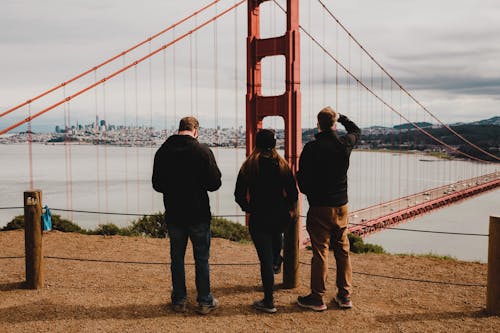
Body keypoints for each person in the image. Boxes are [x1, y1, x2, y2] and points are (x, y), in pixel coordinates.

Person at [152, 116, 222, 315]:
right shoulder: (203, 151)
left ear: (179, 129)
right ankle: (205, 301)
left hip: (174, 213)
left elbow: (157, 185)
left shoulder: (163, 151)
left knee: (177, 258)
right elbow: (215, 184)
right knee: (202, 259)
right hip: (198, 214)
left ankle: (179, 300)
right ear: (195, 131)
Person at [296, 106, 361, 311]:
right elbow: (356, 131)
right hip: (341, 207)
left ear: (318, 124)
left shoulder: (311, 148)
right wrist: (343, 118)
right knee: (342, 251)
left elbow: (302, 181)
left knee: (320, 253)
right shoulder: (344, 144)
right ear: (334, 124)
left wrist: (311, 194)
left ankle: (317, 298)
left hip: (319, 208)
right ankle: (345, 296)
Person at [235, 129, 298, 313]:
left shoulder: (249, 165)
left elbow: (239, 195)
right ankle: (277, 260)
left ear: (256, 143)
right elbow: (293, 193)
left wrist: (249, 208)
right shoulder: (282, 165)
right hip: (279, 218)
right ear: (274, 144)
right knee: (273, 254)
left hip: (259, 217)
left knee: (265, 261)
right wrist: (287, 208)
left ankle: (269, 302)